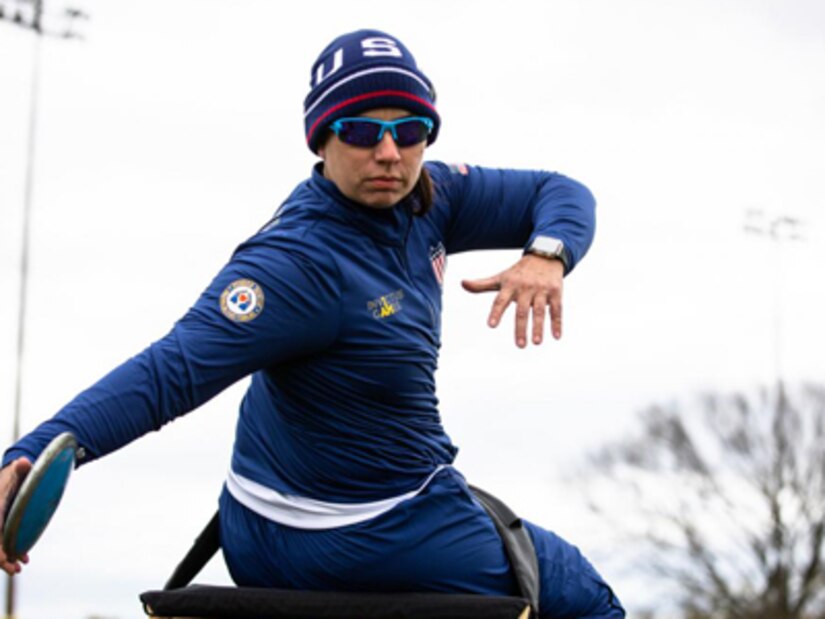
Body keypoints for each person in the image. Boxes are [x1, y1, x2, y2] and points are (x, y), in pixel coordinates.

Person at [0, 29, 624, 618]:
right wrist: (31, 454)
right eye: (360, 131)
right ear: (321, 139)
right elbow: (170, 372)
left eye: (411, 131)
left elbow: (560, 190)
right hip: (368, 531)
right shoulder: (297, 265)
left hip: (254, 525)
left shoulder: (430, 196)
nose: (388, 152)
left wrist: (548, 253)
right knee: (580, 595)